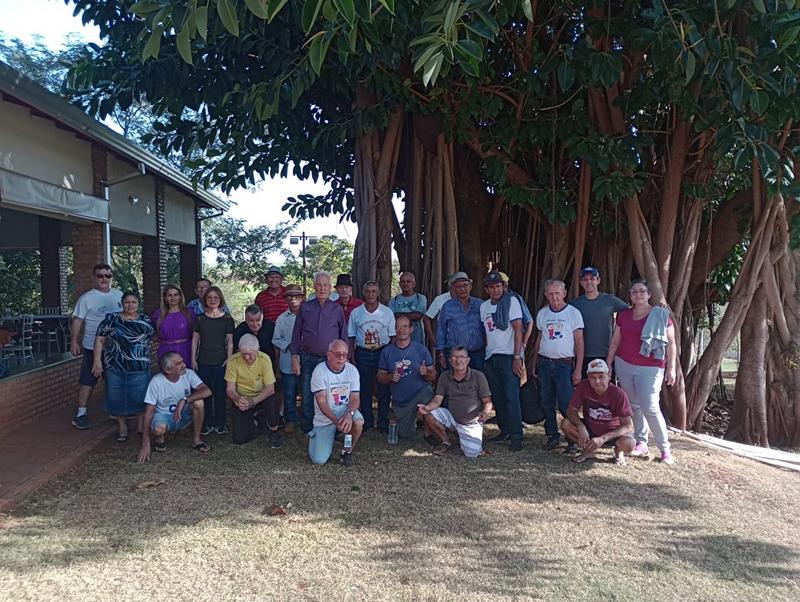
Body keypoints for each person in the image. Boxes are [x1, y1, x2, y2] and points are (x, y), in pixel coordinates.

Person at [606, 279, 677, 465]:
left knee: (650, 406)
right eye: (634, 292)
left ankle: (665, 449)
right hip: (624, 363)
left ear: (649, 294)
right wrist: (609, 363)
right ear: (630, 295)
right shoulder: (624, 316)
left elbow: (671, 344)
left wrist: (671, 368)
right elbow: (615, 341)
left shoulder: (661, 315)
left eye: (642, 291)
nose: (638, 295)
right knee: (634, 405)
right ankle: (641, 442)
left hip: (651, 367)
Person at [92, 291, 155, 442]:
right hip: (115, 365)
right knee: (116, 396)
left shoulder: (145, 319)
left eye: (133, 302)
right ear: (122, 303)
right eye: (127, 302)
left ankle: (140, 425)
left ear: (138, 303)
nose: (130, 305)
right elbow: (100, 340)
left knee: (140, 396)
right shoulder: (111, 319)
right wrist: (97, 361)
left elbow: (154, 337)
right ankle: (122, 426)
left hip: (139, 365)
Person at [290, 272, 348, 435]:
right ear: (314, 287)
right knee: (308, 395)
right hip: (308, 359)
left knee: (332, 395)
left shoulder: (337, 309)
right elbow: (296, 334)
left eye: (325, 285)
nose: (322, 288)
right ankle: (309, 429)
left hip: (331, 361)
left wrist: (345, 359)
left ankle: (334, 427)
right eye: (319, 285)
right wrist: (295, 357)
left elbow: (343, 335)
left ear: (330, 289)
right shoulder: (305, 307)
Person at [532, 279, 585, 452]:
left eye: (557, 293)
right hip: (545, 362)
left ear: (564, 293)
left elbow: (579, 342)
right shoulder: (543, 314)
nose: (554, 297)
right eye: (551, 293)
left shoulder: (573, 313)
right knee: (546, 401)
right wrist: (534, 362)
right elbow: (540, 339)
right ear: (546, 295)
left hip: (564, 365)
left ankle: (571, 439)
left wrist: (578, 368)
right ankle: (552, 436)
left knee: (566, 403)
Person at [70, 263, 123, 429]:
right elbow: (77, 320)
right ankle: (81, 414)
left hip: (114, 348)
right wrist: (74, 341)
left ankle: (114, 410)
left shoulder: (119, 295)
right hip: (92, 348)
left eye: (107, 276)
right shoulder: (86, 298)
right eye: (100, 276)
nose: (104, 279)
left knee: (113, 380)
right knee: (88, 380)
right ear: (94, 278)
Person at [417, 346, 493, 458]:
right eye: (455, 357)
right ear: (450, 360)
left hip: (471, 422)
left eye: (462, 357)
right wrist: (426, 408)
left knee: (471, 454)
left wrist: (485, 413)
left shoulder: (478, 376)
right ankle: (445, 441)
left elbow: (487, 401)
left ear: (468, 360)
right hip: (452, 417)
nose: (458, 360)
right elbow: (438, 400)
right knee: (429, 414)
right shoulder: (444, 376)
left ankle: (470, 435)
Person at [137, 352, 211, 463]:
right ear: (168, 370)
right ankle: (159, 438)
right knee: (158, 429)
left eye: (182, 361)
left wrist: (185, 399)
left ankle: (197, 440)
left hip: (183, 414)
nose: (184, 365)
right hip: (164, 417)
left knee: (199, 402)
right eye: (178, 363)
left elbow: (207, 391)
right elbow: (149, 413)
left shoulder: (189, 374)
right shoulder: (156, 382)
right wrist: (145, 443)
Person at [480, 271, 525, 451]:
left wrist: (517, 356)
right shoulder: (484, 307)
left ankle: (517, 436)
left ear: (503, 287)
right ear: (487, 289)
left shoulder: (511, 302)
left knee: (512, 397)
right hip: (491, 356)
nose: (496, 290)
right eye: (492, 287)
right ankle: (505, 430)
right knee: (498, 396)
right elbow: (486, 332)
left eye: (498, 286)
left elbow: (518, 329)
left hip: (508, 356)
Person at [561, 359, 635, 465]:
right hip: (590, 428)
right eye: (592, 377)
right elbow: (571, 411)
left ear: (609, 377)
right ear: (588, 378)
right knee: (566, 424)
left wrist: (603, 438)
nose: (597, 381)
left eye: (601, 377)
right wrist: (581, 426)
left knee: (629, 443)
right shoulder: (583, 386)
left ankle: (618, 452)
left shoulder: (619, 394)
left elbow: (628, 426)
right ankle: (589, 450)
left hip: (612, 433)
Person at [377, 315, 435, 438]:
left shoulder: (421, 349)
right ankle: (413, 419)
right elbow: (379, 376)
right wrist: (389, 377)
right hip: (402, 402)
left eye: (405, 327)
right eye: (398, 327)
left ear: (411, 329)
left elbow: (433, 375)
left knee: (428, 392)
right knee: (405, 435)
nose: (401, 330)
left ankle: (428, 432)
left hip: (419, 393)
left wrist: (426, 373)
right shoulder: (387, 351)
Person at [308, 339, 365, 467]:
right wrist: (335, 421)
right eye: (338, 354)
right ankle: (320, 437)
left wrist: (349, 414)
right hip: (325, 416)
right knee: (318, 460)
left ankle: (346, 450)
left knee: (358, 423)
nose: (341, 358)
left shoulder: (352, 370)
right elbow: (321, 402)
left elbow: (355, 398)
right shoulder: (319, 371)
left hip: (344, 411)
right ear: (329, 355)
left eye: (344, 355)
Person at [349, 281, 396, 432]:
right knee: (365, 389)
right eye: (368, 291)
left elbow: (393, 336)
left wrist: (390, 357)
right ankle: (367, 422)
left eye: (374, 291)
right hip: (362, 353)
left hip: (382, 352)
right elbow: (350, 337)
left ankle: (382, 421)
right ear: (364, 293)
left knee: (383, 389)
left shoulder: (387, 312)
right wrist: (352, 357)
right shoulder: (356, 312)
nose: (370, 294)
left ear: (378, 293)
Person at [191, 286, 235, 435]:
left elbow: (230, 341)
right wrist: (193, 359)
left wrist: (229, 359)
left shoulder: (227, 319)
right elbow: (195, 340)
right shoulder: (200, 319)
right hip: (203, 360)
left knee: (221, 393)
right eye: (209, 297)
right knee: (206, 392)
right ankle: (207, 423)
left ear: (220, 299)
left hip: (220, 361)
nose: (212, 300)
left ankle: (220, 424)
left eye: (216, 297)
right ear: (205, 300)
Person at [569, 267, 629, 376]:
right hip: (582, 355)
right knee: (585, 388)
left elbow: (630, 312)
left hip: (606, 354)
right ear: (581, 282)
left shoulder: (610, 300)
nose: (589, 282)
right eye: (585, 279)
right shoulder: (575, 304)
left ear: (598, 280)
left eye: (592, 278)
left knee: (604, 387)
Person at [225, 333, 281, 447]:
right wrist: (238, 399)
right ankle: (257, 423)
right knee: (239, 439)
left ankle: (274, 430)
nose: (246, 357)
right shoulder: (233, 361)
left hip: (261, 398)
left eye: (250, 354)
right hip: (243, 399)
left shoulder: (264, 359)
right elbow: (230, 390)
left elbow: (270, 388)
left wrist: (253, 402)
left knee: (272, 400)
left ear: (257, 350)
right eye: (243, 354)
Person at [435, 272, 485, 371]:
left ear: (470, 286)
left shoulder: (480, 304)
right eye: (458, 286)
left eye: (465, 285)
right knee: (455, 383)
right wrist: (441, 354)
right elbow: (441, 331)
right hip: (455, 355)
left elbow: (486, 329)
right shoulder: (448, 306)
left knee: (477, 382)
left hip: (477, 354)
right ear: (453, 289)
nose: (462, 289)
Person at [272, 284, 304, 433]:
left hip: (306, 360)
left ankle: (307, 420)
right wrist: (289, 345)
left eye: (296, 296)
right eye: (290, 297)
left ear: (302, 298)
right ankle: (290, 419)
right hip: (287, 361)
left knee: (307, 391)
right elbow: (275, 339)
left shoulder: (308, 315)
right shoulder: (282, 319)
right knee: (289, 392)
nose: (293, 300)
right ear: (286, 300)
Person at [151, 283, 194, 363]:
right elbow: (151, 332)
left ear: (180, 296)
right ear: (165, 298)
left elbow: (196, 333)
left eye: (175, 295)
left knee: (186, 373)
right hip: (166, 350)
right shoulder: (158, 314)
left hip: (185, 349)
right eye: (169, 295)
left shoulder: (189, 312)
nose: (173, 298)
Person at [388, 271, 427, 346]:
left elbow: (417, 316)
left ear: (414, 284)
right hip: (399, 342)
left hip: (417, 340)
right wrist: (412, 315)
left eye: (408, 281)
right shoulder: (393, 301)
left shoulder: (421, 298)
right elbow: (392, 318)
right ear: (399, 284)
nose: (405, 284)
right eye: (403, 282)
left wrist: (399, 315)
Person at [498, 271, 534, 349]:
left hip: (513, 348)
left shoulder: (515, 299)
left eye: (499, 286)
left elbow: (529, 321)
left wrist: (524, 343)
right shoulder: (490, 302)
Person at [423, 274, 457, 348]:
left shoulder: (468, 300)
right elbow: (426, 318)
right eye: (458, 285)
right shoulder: (440, 299)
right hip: (445, 341)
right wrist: (432, 338)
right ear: (451, 285)